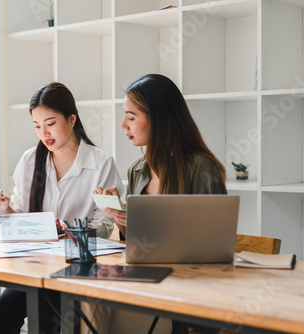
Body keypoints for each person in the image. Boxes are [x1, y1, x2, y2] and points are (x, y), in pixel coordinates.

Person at [92, 74, 227, 334]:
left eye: (131, 117)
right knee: (83, 298)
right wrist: (121, 221)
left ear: (159, 119)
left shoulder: (201, 169)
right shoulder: (137, 170)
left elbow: (212, 248)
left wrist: (149, 228)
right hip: (145, 282)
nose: (123, 125)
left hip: (189, 290)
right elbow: (136, 247)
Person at [0, 82, 123, 334]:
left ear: (71, 119)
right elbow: (20, 216)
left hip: (76, 266)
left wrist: (70, 230)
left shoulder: (100, 163)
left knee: (45, 310)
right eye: (37, 126)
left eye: (50, 123)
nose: (44, 133)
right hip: (33, 265)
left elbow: (105, 226)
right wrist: (6, 211)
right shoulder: (30, 160)